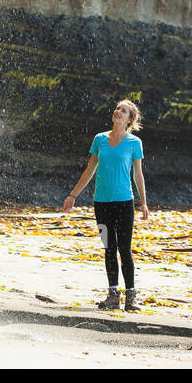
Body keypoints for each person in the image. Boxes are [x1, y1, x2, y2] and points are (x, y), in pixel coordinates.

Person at [62, 99, 148, 311]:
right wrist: (73, 195)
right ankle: (112, 295)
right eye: (117, 108)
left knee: (124, 249)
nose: (118, 111)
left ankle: (131, 297)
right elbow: (89, 170)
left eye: (123, 110)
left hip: (124, 203)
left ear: (129, 119)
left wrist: (144, 202)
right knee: (109, 247)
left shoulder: (134, 143)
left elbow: (138, 174)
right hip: (101, 203)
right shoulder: (99, 139)